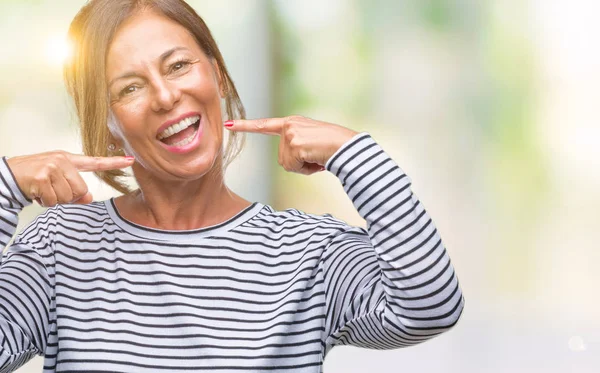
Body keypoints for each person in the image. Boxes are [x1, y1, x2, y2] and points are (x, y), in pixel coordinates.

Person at [0, 0, 464, 371]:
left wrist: (354, 154)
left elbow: (429, 307)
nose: (165, 96)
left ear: (216, 73)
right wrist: (5, 185)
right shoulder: (61, 247)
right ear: (107, 124)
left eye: (178, 65)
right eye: (130, 89)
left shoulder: (307, 252)